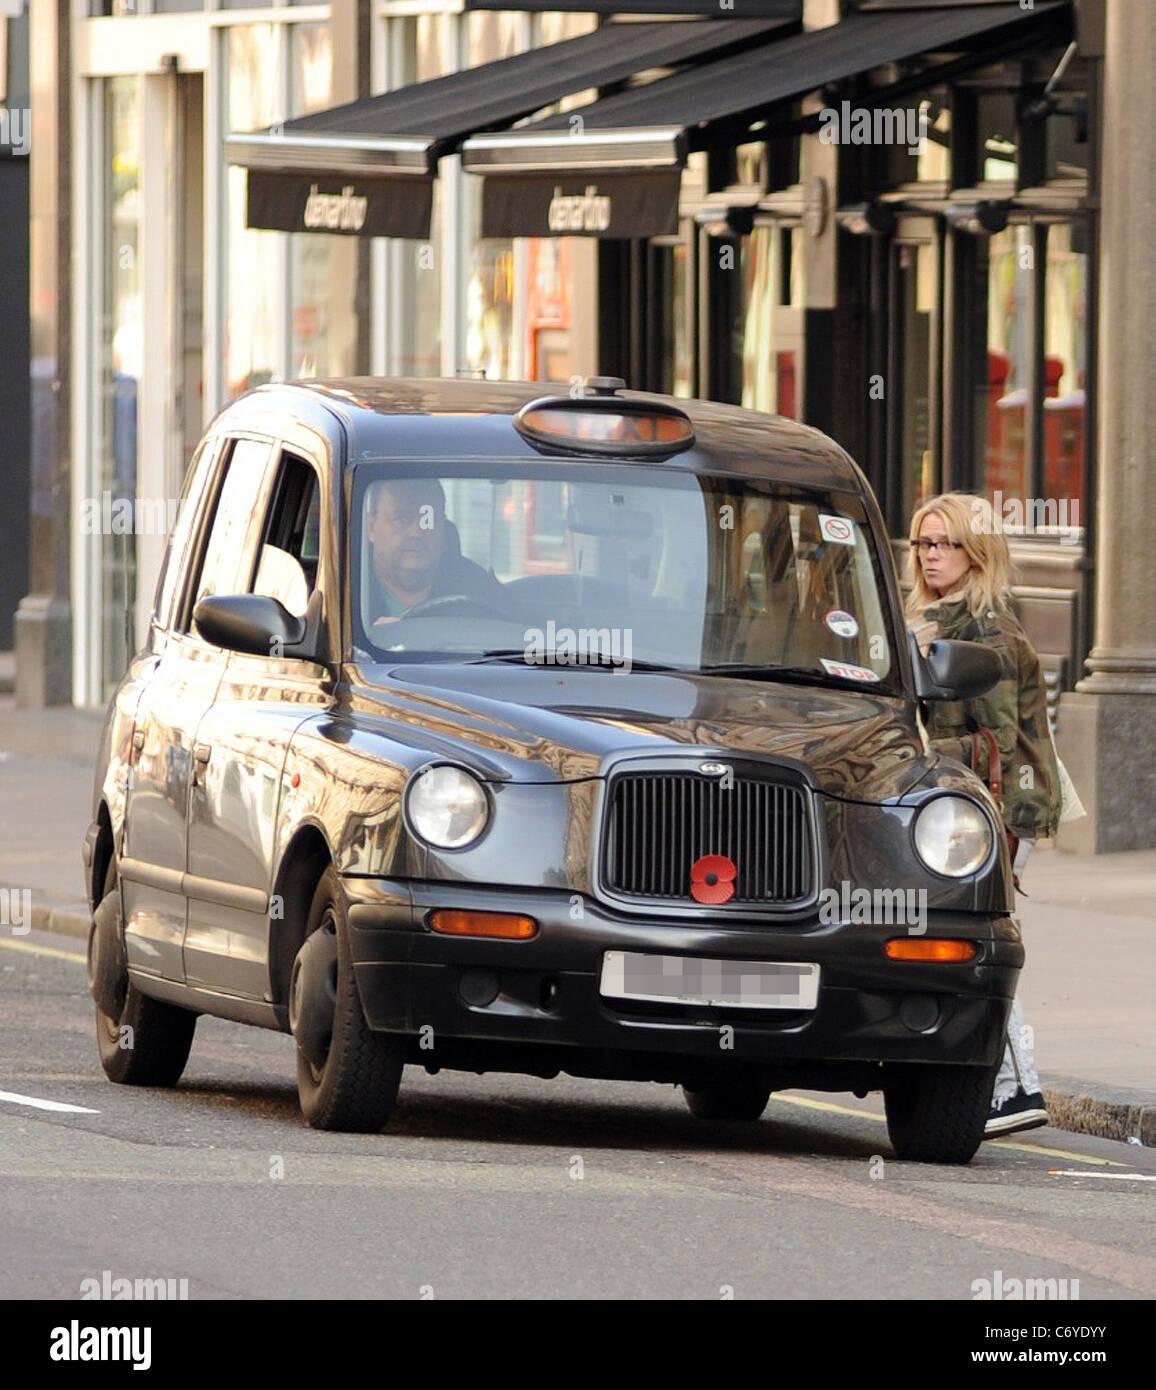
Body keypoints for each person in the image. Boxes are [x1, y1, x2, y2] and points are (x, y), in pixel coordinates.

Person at [906, 492, 1062, 1139]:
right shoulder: (937, 618)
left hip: (998, 811)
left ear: (978, 553)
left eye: (946, 544)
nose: (932, 554)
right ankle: (1012, 1086)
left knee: (980, 943)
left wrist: (906, 753)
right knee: (972, 942)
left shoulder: (986, 629)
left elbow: (992, 745)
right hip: (960, 812)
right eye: (923, 543)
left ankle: (1014, 1084)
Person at [365, 477, 503, 626]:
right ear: (372, 527)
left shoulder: (480, 589)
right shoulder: (344, 589)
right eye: (401, 519)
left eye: (428, 519)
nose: (416, 533)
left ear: (443, 527)